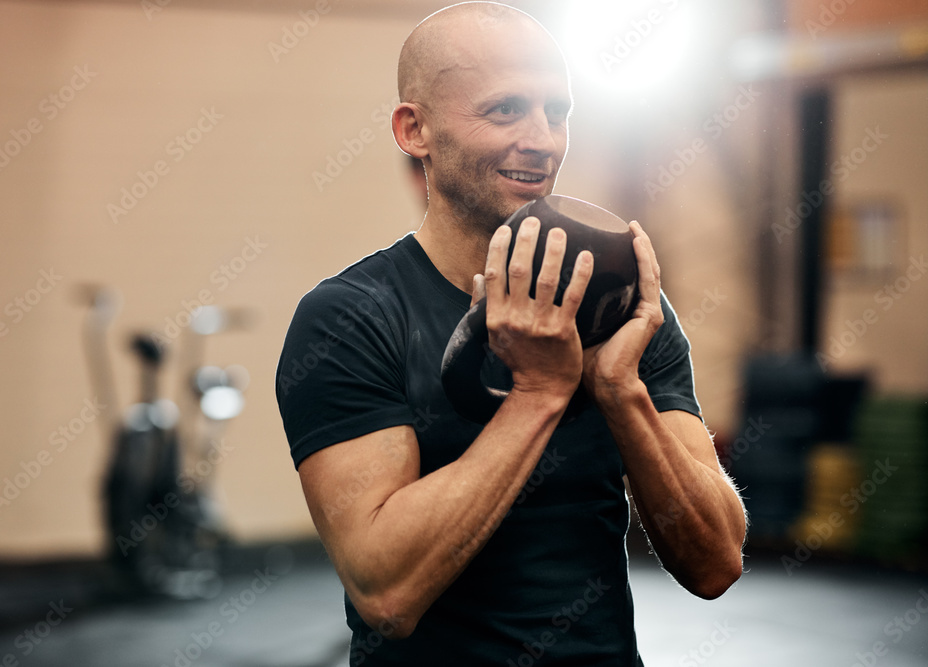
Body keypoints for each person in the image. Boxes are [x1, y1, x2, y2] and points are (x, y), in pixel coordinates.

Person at [276, 3, 747, 664]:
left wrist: (620, 391)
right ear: (415, 130)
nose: (543, 139)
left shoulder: (619, 301)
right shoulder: (351, 318)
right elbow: (386, 590)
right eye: (505, 110)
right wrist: (538, 395)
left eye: (557, 112)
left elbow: (716, 561)